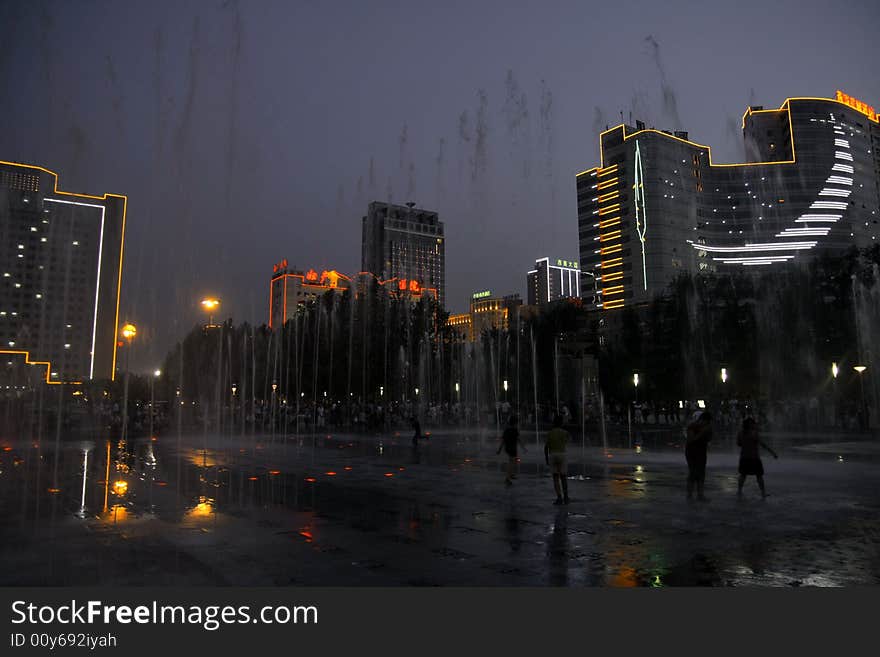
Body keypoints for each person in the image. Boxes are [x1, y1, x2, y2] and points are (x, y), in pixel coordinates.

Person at [737, 417, 777, 499]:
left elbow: (738, 444)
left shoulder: (740, 433)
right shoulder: (754, 433)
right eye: (753, 423)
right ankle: (763, 493)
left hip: (744, 457)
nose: (755, 424)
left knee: (743, 475)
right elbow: (762, 444)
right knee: (759, 475)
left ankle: (739, 491)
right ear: (750, 424)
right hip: (754, 458)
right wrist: (772, 452)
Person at [685, 411, 713, 501]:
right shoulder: (692, 426)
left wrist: (708, 433)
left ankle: (700, 495)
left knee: (701, 474)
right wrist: (702, 433)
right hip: (692, 452)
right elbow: (690, 440)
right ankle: (689, 495)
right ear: (701, 419)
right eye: (706, 422)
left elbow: (708, 439)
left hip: (701, 452)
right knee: (693, 473)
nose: (707, 424)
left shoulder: (706, 427)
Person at [544, 415, 570, 505]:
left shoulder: (550, 433)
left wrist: (546, 458)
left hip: (552, 455)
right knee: (563, 477)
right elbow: (567, 441)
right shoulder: (565, 432)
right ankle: (566, 497)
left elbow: (546, 447)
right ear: (561, 423)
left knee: (555, 478)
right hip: (562, 455)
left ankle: (559, 497)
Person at [496, 415, 527, 486]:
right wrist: (523, 448)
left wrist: (499, 450)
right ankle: (507, 479)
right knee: (511, 463)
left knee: (514, 460)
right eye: (517, 422)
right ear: (515, 423)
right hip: (512, 449)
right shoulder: (514, 430)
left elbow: (503, 440)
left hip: (508, 448)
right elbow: (519, 439)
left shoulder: (507, 429)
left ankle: (511, 474)